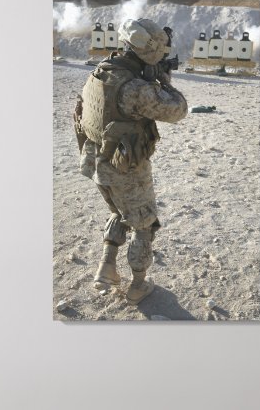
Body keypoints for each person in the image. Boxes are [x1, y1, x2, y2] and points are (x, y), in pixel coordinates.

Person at [75, 18, 188, 305]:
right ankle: (138, 285)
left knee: (120, 211)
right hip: (125, 167)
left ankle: (107, 267)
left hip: (96, 163)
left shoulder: (101, 72)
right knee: (144, 224)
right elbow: (177, 110)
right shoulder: (137, 88)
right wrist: (163, 81)